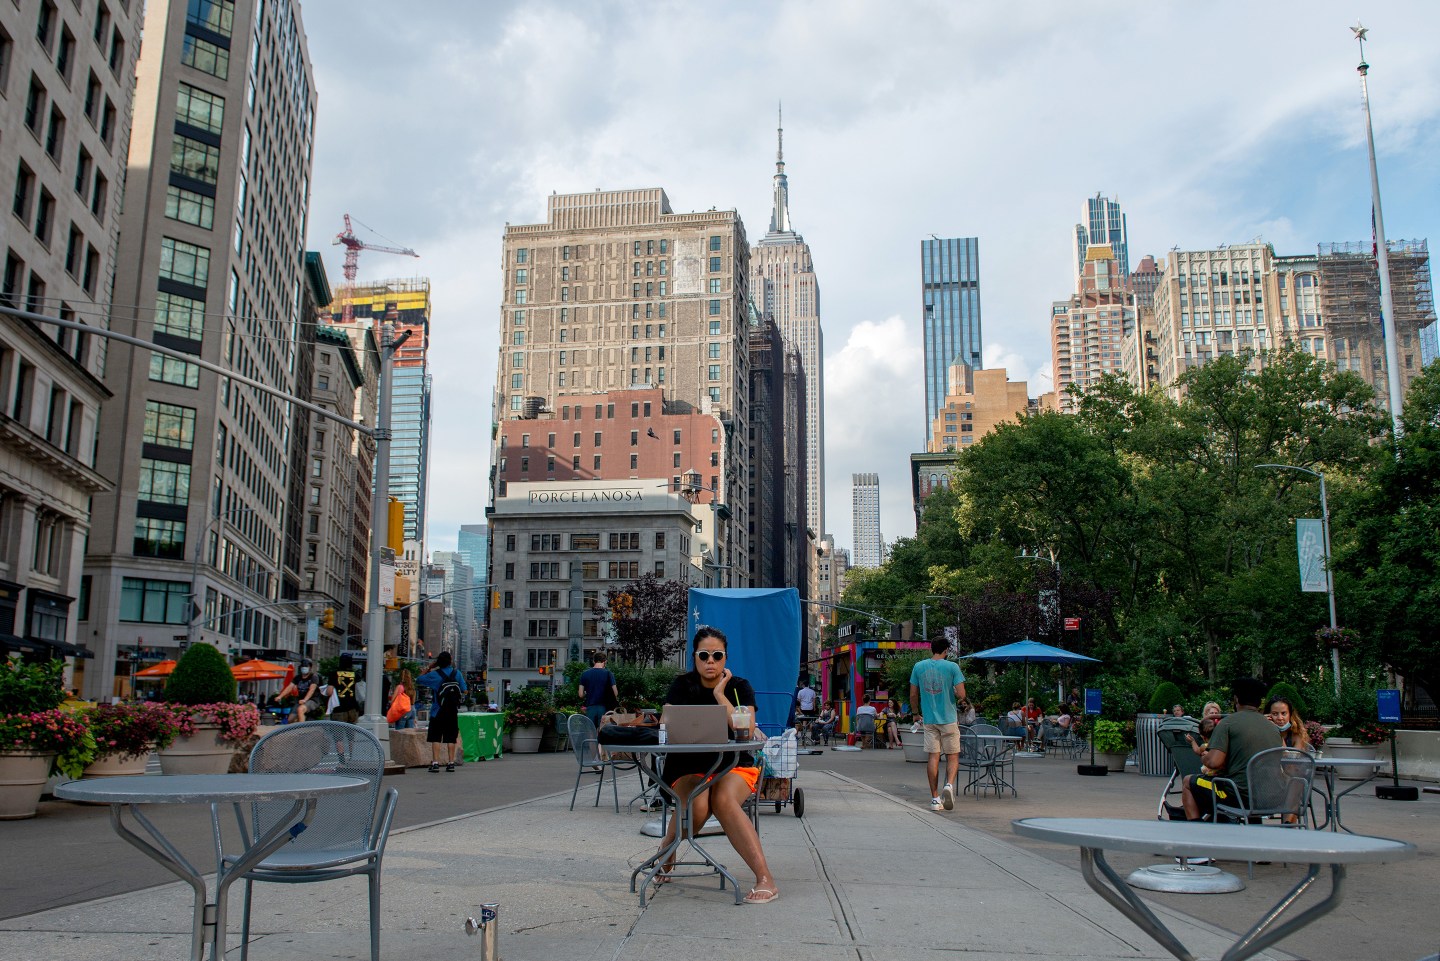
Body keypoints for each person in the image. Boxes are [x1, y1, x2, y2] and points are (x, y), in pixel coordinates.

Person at [653, 626, 779, 904]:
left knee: (723, 800)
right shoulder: (681, 685)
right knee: (697, 808)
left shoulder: (739, 687)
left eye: (717, 655)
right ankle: (668, 847)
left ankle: (765, 879)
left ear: (725, 658)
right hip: (687, 764)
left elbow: (744, 729)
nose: (711, 661)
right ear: (695, 657)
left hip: (733, 764)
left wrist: (721, 694)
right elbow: (665, 722)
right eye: (704, 655)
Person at [1181, 677, 1283, 821]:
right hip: (1270, 796)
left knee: (1187, 782)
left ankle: (1197, 834)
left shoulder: (1227, 723)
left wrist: (1203, 756)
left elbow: (1214, 762)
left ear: (1236, 699)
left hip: (1238, 796)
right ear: (1260, 702)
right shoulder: (1273, 728)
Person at [909, 637, 968, 812]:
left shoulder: (919, 667)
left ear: (932, 649)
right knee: (953, 755)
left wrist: (915, 713)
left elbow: (913, 694)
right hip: (949, 719)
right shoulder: (952, 667)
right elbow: (961, 694)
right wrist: (957, 692)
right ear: (946, 650)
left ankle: (935, 799)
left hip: (929, 720)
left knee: (933, 757)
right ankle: (949, 785)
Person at [417, 651, 466, 772]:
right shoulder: (457, 673)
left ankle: (435, 763)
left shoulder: (435, 674)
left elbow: (419, 679)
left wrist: (429, 667)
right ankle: (450, 763)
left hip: (437, 710)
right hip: (452, 711)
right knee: (451, 737)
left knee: (436, 737)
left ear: (438, 662)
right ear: (450, 661)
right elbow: (465, 690)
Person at [577, 652, 619, 727]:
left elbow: (580, 694)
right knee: (603, 731)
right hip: (604, 708)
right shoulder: (609, 674)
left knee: (591, 731)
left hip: (590, 708)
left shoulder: (585, 674)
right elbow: (615, 693)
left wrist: (587, 693)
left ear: (593, 661)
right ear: (605, 661)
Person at [328, 653, 364, 725]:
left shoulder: (334, 674)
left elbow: (329, 692)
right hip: (353, 708)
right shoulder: (356, 675)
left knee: (338, 733)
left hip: (339, 708)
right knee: (351, 733)